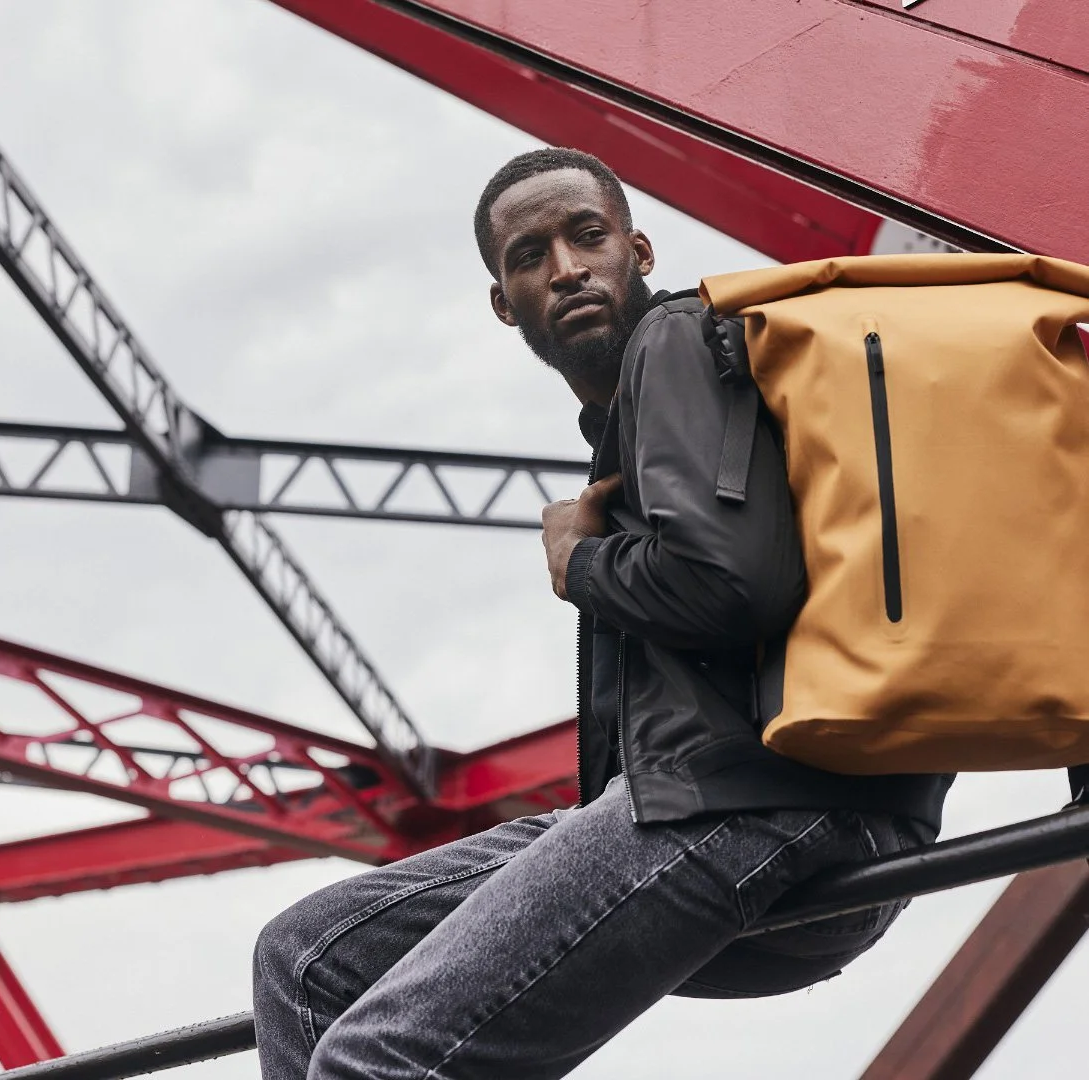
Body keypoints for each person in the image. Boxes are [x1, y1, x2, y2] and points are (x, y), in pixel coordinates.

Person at [252, 147, 953, 1080]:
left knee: (381, 1058)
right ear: (505, 303)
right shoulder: (659, 400)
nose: (567, 268)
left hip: (765, 803)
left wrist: (578, 561)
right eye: (529, 256)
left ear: (640, 249)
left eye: (588, 236)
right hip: (726, 802)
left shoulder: (678, 343)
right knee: (305, 955)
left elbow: (732, 586)